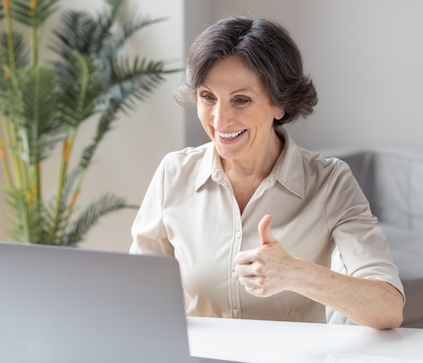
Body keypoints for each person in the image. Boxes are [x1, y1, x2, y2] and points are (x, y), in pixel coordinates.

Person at [130, 16, 404, 329]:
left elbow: (388, 309)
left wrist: (295, 273)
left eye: (241, 100)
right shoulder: (173, 174)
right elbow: (137, 291)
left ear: (280, 104)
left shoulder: (330, 183)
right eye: (208, 97)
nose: (220, 119)